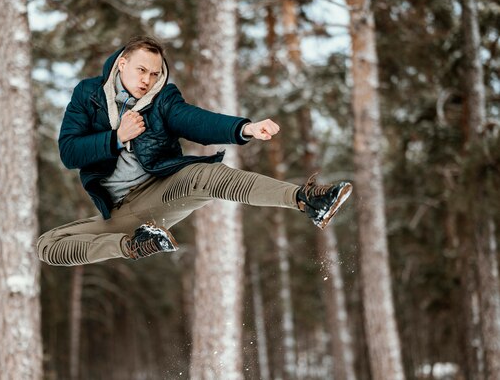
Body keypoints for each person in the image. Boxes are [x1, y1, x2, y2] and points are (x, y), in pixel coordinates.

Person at [37, 36, 352, 265]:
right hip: (122, 211)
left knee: (208, 174)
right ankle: (134, 245)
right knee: (47, 246)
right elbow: (69, 152)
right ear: (122, 64)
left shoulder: (164, 99)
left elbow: (194, 121)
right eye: (141, 70)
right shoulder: (88, 95)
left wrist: (245, 128)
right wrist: (116, 138)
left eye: (155, 74)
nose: (147, 80)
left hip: (163, 188)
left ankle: (308, 200)